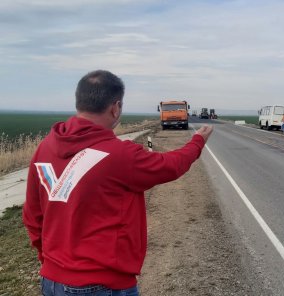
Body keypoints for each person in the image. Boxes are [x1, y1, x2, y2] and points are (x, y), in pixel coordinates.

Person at [22, 70, 213, 296]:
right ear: (115, 107)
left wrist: (49, 259)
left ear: (79, 102)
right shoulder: (119, 155)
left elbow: (32, 216)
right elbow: (171, 165)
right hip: (101, 285)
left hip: (51, 280)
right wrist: (198, 141)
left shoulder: (44, 148)